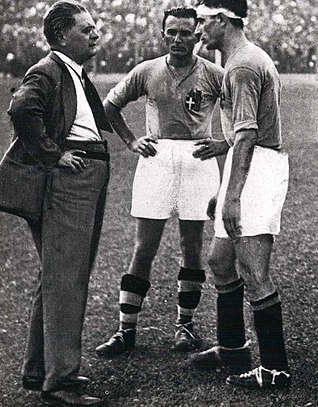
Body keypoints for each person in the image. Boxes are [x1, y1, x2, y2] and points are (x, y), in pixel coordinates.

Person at [94, 7, 224, 356]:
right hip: (156, 158)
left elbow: (243, 111)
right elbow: (108, 107)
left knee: (192, 246)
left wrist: (223, 142)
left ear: (198, 34)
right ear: (163, 34)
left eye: (185, 32)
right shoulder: (147, 70)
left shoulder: (214, 74)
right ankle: (126, 330)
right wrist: (131, 140)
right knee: (144, 247)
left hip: (198, 158)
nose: (178, 39)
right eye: (172, 32)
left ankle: (185, 325)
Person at [5, 2, 112, 405]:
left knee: (57, 274)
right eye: (86, 29)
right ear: (61, 35)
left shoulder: (73, 72)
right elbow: (21, 107)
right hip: (71, 180)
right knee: (67, 278)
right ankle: (61, 380)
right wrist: (53, 155)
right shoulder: (48, 69)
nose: (95, 34)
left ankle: (39, 371)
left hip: (85, 177)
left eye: (95, 27)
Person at [187, 0, 291, 391]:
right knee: (219, 260)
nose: (199, 30)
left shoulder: (244, 65)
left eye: (202, 21)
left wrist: (231, 196)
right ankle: (232, 349)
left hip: (258, 167)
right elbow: (239, 135)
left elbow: (248, 135)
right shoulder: (240, 61)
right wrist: (223, 156)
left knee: (253, 269)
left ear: (223, 20)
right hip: (246, 163)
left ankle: (276, 369)